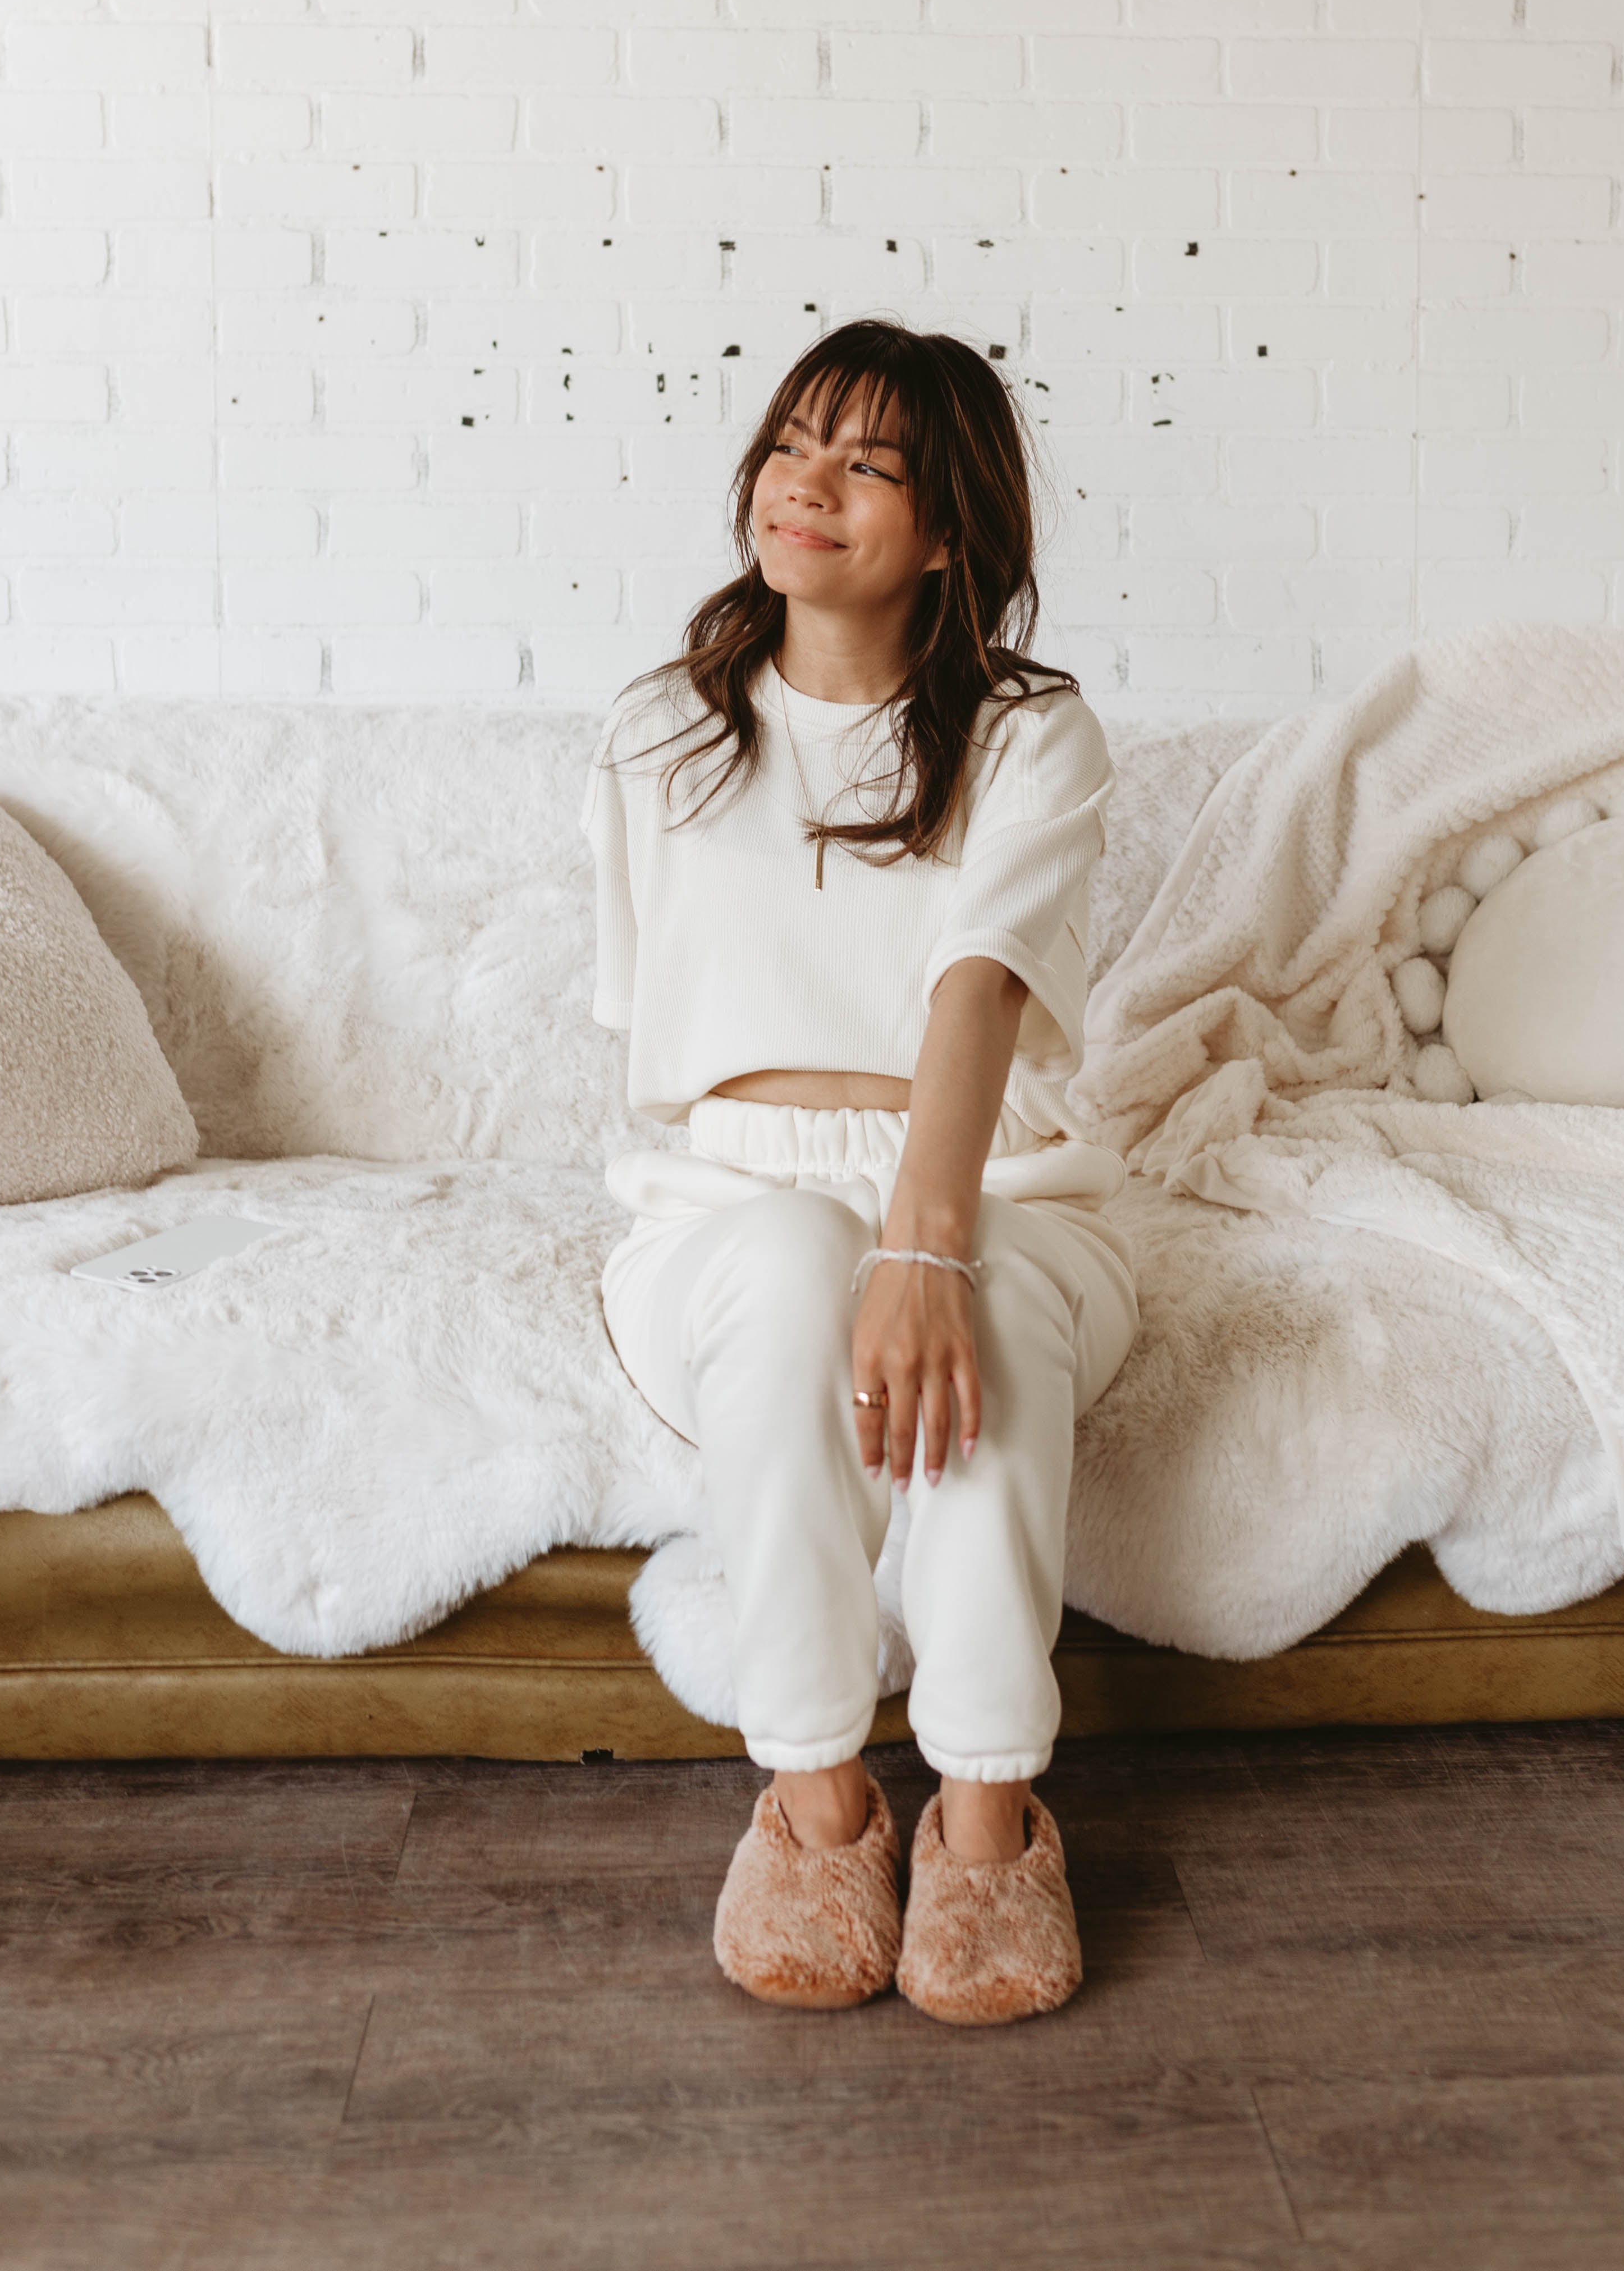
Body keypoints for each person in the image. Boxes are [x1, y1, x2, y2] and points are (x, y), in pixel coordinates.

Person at [582, 318, 1138, 2026]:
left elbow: (976, 986)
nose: (802, 484)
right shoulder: (657, 733)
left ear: (950, 528)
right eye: (789, 443)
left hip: (1006, 1179)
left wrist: (928, 1238)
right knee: (778, 1259)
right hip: (723, 1192)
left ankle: (983, 1820)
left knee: (986, 1329)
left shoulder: (1033, 734)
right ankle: (821, 1799)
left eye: (866, 463)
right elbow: (652, 1027)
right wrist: (846, 1232)